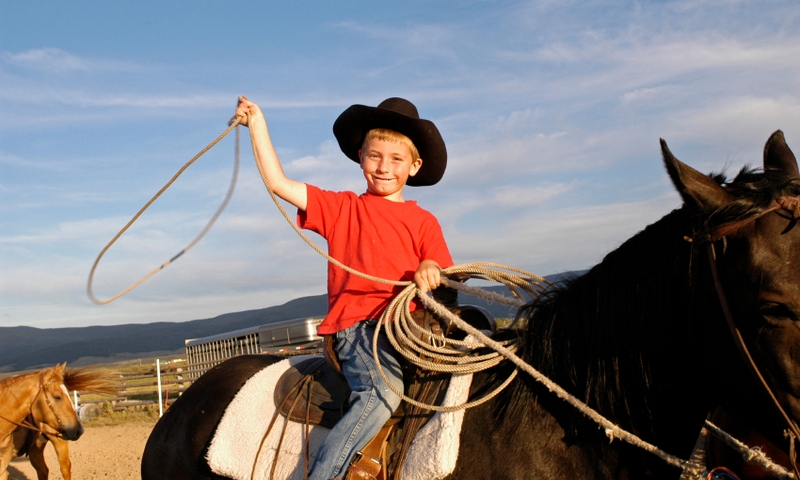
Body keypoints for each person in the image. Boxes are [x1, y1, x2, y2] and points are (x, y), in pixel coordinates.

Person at [235, 96, 454, 480]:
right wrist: (257, 125)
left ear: (415, 166)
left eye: (396, 159)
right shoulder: (341, 208)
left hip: (408, 329)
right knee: (380, 393)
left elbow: (437, 265)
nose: (383, 168)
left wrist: (429, 269)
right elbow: (279, 183)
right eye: (374, 156)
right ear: (360, 157)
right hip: (358, 328)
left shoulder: (424, 222)